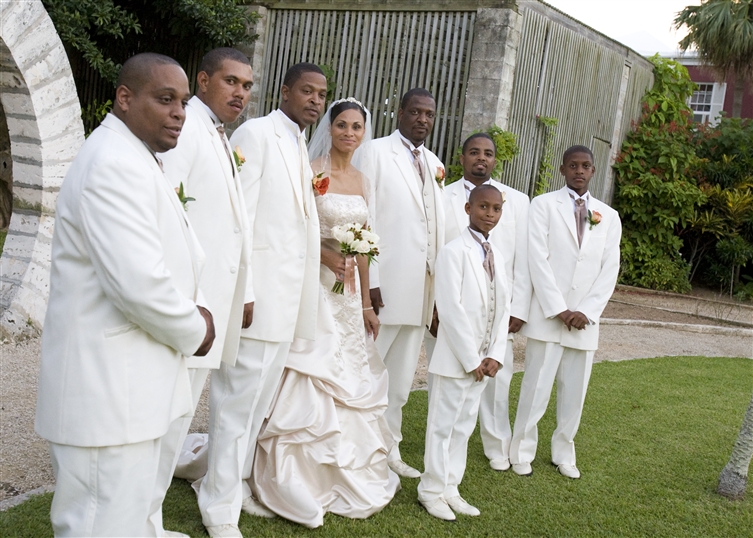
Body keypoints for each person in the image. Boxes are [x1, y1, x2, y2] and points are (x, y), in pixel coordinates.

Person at [34, 52, 215, 537]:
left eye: (183, 102)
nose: (179, 113)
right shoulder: (111, 163)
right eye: (165, 99)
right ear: (125, 98)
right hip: (107, 394)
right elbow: (138, 285)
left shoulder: (135, 156)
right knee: (100, 524)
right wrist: (197, 327)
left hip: (129, 391)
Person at [250, 97, 400, 528]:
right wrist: (324, 257)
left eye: (357, 127)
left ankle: (345, 464)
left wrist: (367, 303)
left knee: (352, 370)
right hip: (314, 287)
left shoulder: (364, 181)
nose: (349, 133)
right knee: (310, 367)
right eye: (342, 125)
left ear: (364, 133)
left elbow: (365, 246)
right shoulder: (311, 170)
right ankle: (292, 467)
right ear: (329, 129)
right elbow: (294, 229)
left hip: (348, 295)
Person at [195, 63, 327, 538]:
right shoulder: (255, 134)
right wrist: (244, 292)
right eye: (307, 91)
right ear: (285, 92)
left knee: (257, 406)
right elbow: (240, 220)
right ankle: (218, 506)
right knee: (236, 404)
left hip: (286, 302)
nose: (315, 101)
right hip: (258, 299)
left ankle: (234, 483)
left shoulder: (299, 142)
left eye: (322, 94)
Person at [149, 48, 254, 537]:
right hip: (190, 305)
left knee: (176, 420)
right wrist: (185, 302)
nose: (240, 93)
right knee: (165, 423)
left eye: (247, 86)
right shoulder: (187, 128)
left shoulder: (217, 134)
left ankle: (147, 519)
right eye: (231, 82)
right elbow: (169, 213)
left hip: (209, 306)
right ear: (204, 80)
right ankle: (143, 522)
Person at [509, 145, 622, 479]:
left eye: (585, 166)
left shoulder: (608, 215)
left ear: (593, 171)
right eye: (573, 165)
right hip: (549, 317)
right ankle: (521, 451)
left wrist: (586, 311)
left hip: (584, 323)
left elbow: (609, 268)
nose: (579, 171)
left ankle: (564, 452)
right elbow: (536, 259)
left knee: (574, 392)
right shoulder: (543, 205)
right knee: (536, 388)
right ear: (562, 169)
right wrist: (559, 309)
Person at [362, 88, 446, 478]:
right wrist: (372, 279)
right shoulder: (376, 152)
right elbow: (365, 218)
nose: (422, 119)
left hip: (421, 293)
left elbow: (437, 229)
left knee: (399, 382)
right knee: (368, 373)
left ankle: (389, 449)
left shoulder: (435, 163)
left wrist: (438, 294)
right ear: (400, 112)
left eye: (429, 114)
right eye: (415, 112)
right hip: (384, 287)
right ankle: (358, 450)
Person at [417, 185, 510, 521]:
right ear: (468, 208)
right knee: (442, 427)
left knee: (464, 427)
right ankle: (430, 490)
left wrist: (495, 354)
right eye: (483, 207)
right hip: (457, 360)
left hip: (483, 361)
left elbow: (503, 307)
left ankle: (450, 487)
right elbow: (450, 309)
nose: (489, 214)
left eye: (496, 209)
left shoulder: (498, 254)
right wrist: (471, 359)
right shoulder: (453, 252)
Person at [441, 133, 531, 472]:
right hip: (452, 306)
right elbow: (435, 252)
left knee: (497, 380)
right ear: (462, 157)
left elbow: (523, 258)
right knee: (449, 377)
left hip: (497, 309)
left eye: (488, 153)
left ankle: (497, 445)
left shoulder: (517, 201)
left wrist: (518, 308)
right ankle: (444, 445)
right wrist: (434, 306)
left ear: (495, 159)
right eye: (474, 152)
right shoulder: (442, 194)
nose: (481, 158)